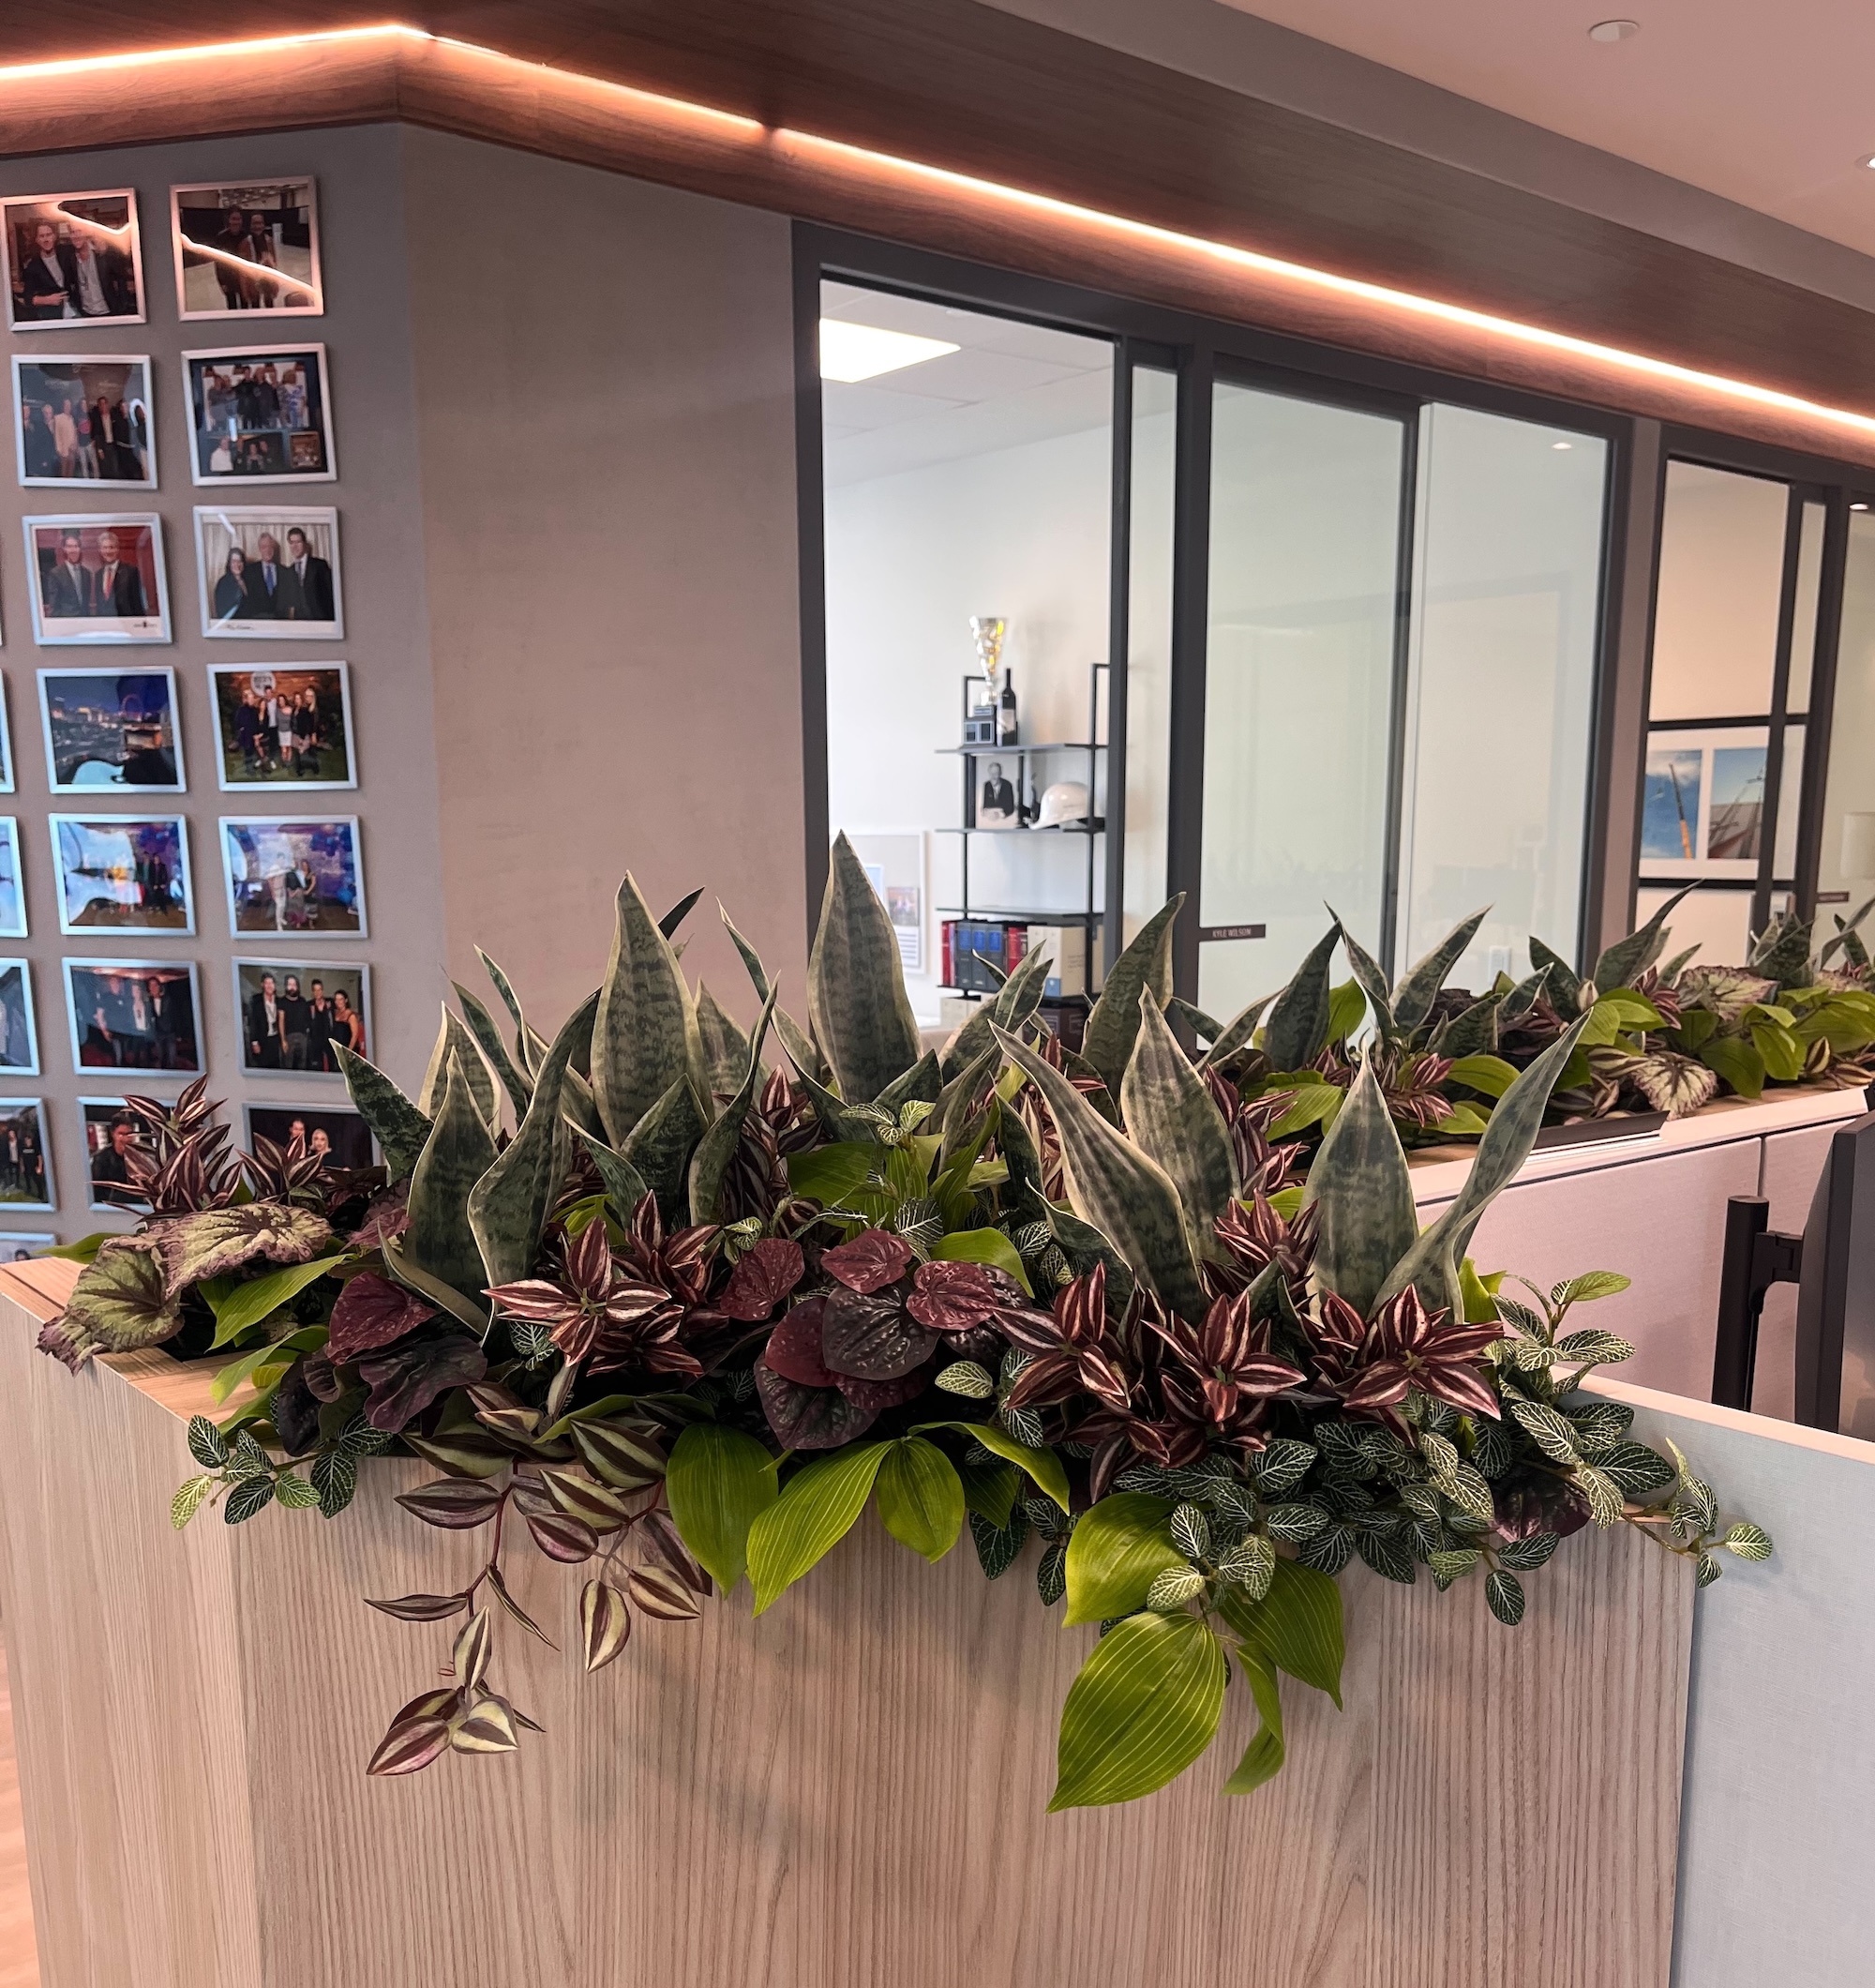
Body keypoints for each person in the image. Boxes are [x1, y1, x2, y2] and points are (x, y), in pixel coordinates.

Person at [15, 218, 78, 321]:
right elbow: (28, 298)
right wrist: (47, 300)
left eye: (48, 235)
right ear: (37, 240)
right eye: (42, 236)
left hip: (75, 309)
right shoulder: (33, 266)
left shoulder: (66, 253)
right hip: (51, 314)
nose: (46, 239)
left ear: (54, 236)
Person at [91, 529, 145, 618]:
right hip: (105, 625)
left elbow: (137, 603)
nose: (108, 551)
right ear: (100, 550)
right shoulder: (98, 574)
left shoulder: (131, 571)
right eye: (105, 548)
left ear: (117, 549)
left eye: (111, 547)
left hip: (126, 624)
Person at [283, 527, 333, 622]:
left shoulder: (320, 565)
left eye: (298, 542)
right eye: (292, 543)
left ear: (304, 544)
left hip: (322, 619)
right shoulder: (289, 571)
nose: (295, 546)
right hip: (301, 624)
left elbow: (330, 594)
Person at [90, 1116, 141, 1207]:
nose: (126, 1139)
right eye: (121, 1134)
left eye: (129, 1134)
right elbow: (97, 1192)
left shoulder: (140, 1157)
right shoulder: (101, 1159)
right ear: (113, 1134)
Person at [42, 530, 91, 620]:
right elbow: (54, 605)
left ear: (80, 549)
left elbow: (86, 602)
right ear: (64, 549)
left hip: (85, 621)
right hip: (66, 622)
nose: (73, 550)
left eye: (76, 546)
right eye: (69, 546)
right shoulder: (56, 573)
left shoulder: (86, 573)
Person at [148, 972, 191, 1071]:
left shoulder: (168, 1000)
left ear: (159, 987)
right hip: (158, 1034)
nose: (153, 988)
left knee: (172, 1059)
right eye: (151, 986)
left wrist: (179, 1033)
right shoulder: (148, 1002)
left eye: (155, 985)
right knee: (161, 1058)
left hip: (170, 1033)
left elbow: (175, 1016)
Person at [240, 210, 278, 308]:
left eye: (260, 223)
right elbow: (242, 270)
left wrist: (276, 283)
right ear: (250, 225)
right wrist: (245, 289)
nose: (257, 226)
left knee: (270, 306)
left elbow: (274, 263)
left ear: (264, 225)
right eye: (255, 223)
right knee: (255, 306)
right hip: (253, 280)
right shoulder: (245, 243)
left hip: (268, 280)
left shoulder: (269, 241)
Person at [212, 205, 248, 309]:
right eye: (234, 219)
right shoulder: (221, 237)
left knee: (245, 308)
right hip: (229, 280)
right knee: (232, 308)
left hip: (243, 279)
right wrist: (221, 282)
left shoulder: (246, 236)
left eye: (239, 219)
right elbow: (218, 262)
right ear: (229, 220)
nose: (236, 222)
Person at [246, 971, 282, 1069]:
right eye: (267, 983)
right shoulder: (256, 1001)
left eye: (271, 983)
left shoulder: (279, 1001)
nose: (269, 986)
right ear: (262, 985)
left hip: (275, 1039)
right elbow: (252, 1022)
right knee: (263, 1066)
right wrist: (254, 1042)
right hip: (262, 1039)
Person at [280, 973, 311, 1070]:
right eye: (290, 984)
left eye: (294, 984)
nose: (292, 987)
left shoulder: (303, 1001)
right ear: (286, 986)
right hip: (288, 1037)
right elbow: (281, 1021)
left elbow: (308, 1018)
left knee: (303, 1064)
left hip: (302, 1037)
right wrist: (283, 1040)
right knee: (288, 1065)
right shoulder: (282, 1001)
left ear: (297, 986)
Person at [212, 548, 249, 623]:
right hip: (232, 626)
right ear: (229, 564)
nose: (237, 564)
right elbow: (223, 611)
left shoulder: (249, 580)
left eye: (240, 561)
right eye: (234, 561)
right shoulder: (223, 583)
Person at [306, 979, 337, 1070]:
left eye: (319, 990)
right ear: (312, 992)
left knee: (332, 1063)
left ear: (322, 990)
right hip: (315, 1040)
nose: (317, 992)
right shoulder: (309, 1005)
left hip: (329, 1038)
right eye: (315, 990)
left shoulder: (330, 1002)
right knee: (317, 1065)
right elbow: (307, 1022)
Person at [22, 400, 57, 479]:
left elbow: (47, 442)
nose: (26, 412)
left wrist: (45, 459)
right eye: (24, 410)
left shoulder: (38, 425)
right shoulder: (16, 428)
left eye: (28, 410)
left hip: (38, 461)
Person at [329, 986, 365, 1061]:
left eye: (341, 999)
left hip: (348, 1051)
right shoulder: (335, 1014)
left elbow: (355, 1035)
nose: (338, 1002)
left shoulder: (351, 1016)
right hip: (338, 1051)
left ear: (346, 1000)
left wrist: (348, 1052)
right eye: (337, 999)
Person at [292, 687, 321, 775]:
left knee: (311, 752)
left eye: (310, 696)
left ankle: (314, 767)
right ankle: (300, 769)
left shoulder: (314, 709)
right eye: (306, 696)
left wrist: (314, 734)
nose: (308, 698)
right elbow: (302, 723)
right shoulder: (304, 708)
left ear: (313, 697)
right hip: (304, 733)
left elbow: (315, 723)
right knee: (300, 752)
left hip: (312, 734)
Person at [51, 398, 76, 478]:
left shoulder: (72, 419)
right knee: (63, 474)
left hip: (72, 450)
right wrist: (59, 449)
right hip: (63, 451)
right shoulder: (58, 418)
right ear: (63, 406)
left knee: (71, 473)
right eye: (66, 405)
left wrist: (75, 446)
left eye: (69, 405)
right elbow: (57, 434)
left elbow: (74, 434)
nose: (68, 407)